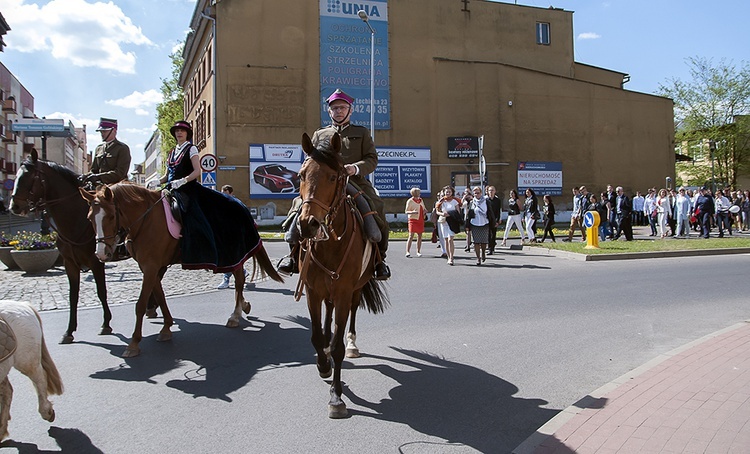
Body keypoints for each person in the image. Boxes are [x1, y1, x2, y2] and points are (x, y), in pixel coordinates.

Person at [146, 120, 261, 273]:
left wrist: (183, 181)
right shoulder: (173, 152)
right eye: (177, 130)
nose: (179, 133)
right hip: (172, 189)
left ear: (187, 133)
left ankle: (196, 247)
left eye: (182, 130)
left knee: (190, 215)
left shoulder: (191, 148)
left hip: (188, 190)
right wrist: (157, 181)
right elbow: (168, 175)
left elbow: (197, 171)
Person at [310, 88, 390, 279]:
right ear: (329, 111)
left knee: (377, 207)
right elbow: (310, 160)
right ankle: (292, 254)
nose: (339, 111)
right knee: (299, 208)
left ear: (350, 110)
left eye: (343, 107)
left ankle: (380, 260)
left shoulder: (361, 133)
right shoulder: (320, 134)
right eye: (335, 108)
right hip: (326, 184)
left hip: (355, 182)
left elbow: (372, 159)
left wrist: (355, 168)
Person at [81, 118, 132, 186]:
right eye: (101, 132)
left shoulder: (122, 148)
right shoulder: (99, 148)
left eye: (104, 131)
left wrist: (98, 177)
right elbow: (94, 170)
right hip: (100, 186)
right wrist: (85, 176)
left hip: (118, 187)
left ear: (113, 131)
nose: (102, 134)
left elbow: (120, 173)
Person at [216, 185, 249, 288]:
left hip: (235, 235)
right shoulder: (221, 203)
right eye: (222, 192)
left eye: (225, 193)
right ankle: (242, 272)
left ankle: (226, 279)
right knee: (229, 257)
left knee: (230, 258)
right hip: (225, 234)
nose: (223, 195)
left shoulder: (235, 203)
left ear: (230, 193)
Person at [435, 185, 462, 265]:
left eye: (449, 192)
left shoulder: (455, 201)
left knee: (450, 239)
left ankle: (451, 257)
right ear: (444, 192)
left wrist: (450, 214)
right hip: (444, 222)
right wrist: (442, 214)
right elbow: (437, 211)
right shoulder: (441, 201)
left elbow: (458, 212)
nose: (448, 193)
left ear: (452, 192)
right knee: (446, 239)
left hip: (452, 222)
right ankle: (448, 256)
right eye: (446, 192)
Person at [469, 186, 490, 265]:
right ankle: (478, 258)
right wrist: (467, 225)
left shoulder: (486, 201)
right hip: (474, 223)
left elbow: (490, 212)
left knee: (484, 241)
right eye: (475, 193)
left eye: (478, 193)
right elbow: (468, 214)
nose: (476, 194)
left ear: (481, 193)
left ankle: (483, 253)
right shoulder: (471, 202)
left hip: (484, 223)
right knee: (476, 242)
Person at [404, 187, 428, 257]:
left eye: (418, 193)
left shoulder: (421, 200)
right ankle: (407, 251)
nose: (418, 194)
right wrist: (412, 212)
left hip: (420, 219)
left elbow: (424, 208)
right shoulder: (410, 201)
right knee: (411, 235)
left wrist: (425, 211)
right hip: (413, 220)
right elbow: (406, 211)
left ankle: (418, 251)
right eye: (417, 193)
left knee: (420, 236)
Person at [485, 186, 502, 254]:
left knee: (493, 234)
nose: (491, 192)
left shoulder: (497, 200)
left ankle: (492, 248)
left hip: (494, 219)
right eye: (490, 190)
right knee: (488, 234)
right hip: (487, 219)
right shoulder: (486, 200)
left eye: (492, 190)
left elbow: (498, 211)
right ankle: (489, 248)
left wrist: (497, 220)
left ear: (495, 191)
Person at [461, 187, 474, 252]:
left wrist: (472, 197)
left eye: (468, 192)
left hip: (473, 217)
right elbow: (461, 206)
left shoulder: (473, 199)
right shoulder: (465, 201)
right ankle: (468, 246)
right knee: (468, 232)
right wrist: (464, 198)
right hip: (467, 217)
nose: (467, 194)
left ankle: (475, 244)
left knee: (473, 232)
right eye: (466, 192)